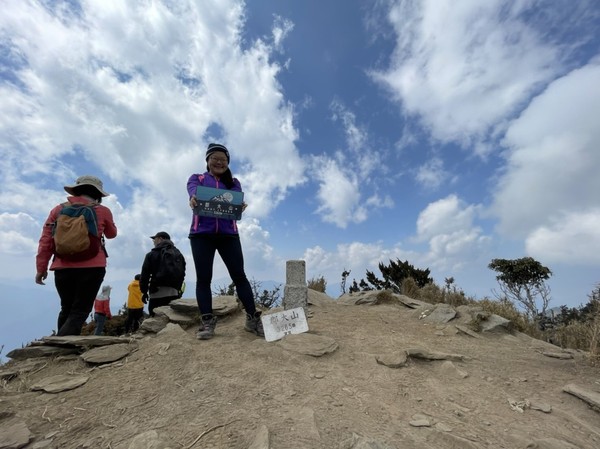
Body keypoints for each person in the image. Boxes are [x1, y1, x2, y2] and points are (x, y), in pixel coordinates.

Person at [187, 143, 264, 340]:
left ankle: (252, 318)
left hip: (229, 234)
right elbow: (193, 190)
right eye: (215, 158)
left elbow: (236, 202)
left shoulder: (234, 182)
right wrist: (193, 198)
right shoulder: (197, 179)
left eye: (223, 159)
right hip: (201, 234)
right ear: (208, 160)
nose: (219, 162)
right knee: (203, 279)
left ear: (228, 162)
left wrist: (240, 206)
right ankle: (207, 321)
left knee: (239, 276)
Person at [35, 175, 118, 336]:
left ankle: (59, 346)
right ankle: (62, 346)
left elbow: (46, 240)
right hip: (93, 267)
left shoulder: (58, 210)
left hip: (62, 267)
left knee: (66, 308)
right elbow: (111, 234)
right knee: (80, 310)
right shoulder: (102, 211)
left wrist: (41, 268)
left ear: (76, 190)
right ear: (98, 194)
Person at [139, 231, 184, 316]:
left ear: (160, 239)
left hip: (156, 294)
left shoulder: (151, 254)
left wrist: (144, 292)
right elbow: (182, 273)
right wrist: (178, 289)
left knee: (155, 321)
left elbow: (145, 275)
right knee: (171, 321)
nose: (153, 242)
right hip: (174, 294)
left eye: (154, 240)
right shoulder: (178, 254)